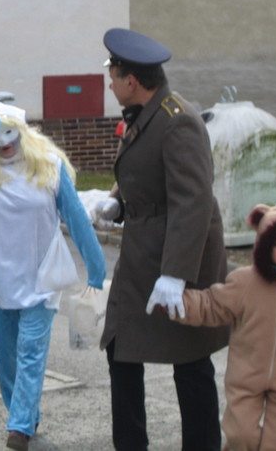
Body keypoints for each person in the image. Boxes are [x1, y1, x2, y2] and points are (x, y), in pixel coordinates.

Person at [0, 97, 106, 451]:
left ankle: (20, 427)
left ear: (24, 132)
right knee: (7, 360)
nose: (5, 143)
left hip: (42, 280)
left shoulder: (49, 168)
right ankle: (25, 415)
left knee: (30, 351)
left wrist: (96, 266)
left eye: (10, 133)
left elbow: (75, 217)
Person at [95, 28, 229, 451]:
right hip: (142, 257)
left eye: (112, 76)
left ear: (131, 80)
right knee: (120, 350)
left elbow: (193, 202)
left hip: (178, 258)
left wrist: (176, 275)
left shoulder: (177, 120)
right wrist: (118, 202)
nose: (110, 83)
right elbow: (148, 171)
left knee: (190, 362)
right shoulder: (147, 113)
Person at [163, 203, 276, 450]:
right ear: (266, 247)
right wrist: (178, 304)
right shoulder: (245, 281)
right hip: (246, 376)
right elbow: (212, 305)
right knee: (240, 436)